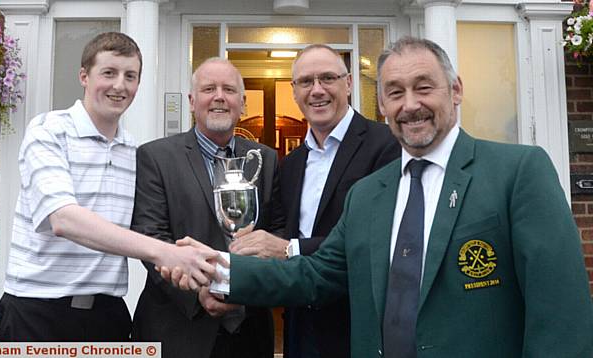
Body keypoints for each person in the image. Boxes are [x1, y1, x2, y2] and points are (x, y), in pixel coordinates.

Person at [173, 37, 593, 357]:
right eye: (395, 92)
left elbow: (561, 312)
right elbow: (314, 275)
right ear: (383, 104)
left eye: (423, 87)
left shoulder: (518, 172)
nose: (410, 105)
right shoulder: (369, 195)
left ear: (456, 90)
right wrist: (218, 270)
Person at [0, 32, 220, 342]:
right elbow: (63, 219)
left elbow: (151, 227)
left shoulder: (134, 151)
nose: (120, 85)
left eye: (130, 76)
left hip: (108, 315)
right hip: (38, 313)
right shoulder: (49, 131)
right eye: (109, 73)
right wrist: (165, 253)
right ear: (84, 76)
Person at [228, 44, 400, 358]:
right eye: (306, 82)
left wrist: (288, 249)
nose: (317, 90)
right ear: (294, 91)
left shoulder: (387, 145)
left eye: (327, 79)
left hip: (358, 326)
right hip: (300, 325)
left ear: (348, 83)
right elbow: (279, 234)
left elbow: (380, 239)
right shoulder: (291, 163)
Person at [130, 57, 284, 358]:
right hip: (178, 328)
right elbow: (150, 237)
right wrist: (198, 292)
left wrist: (250, 286)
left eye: (229, 90)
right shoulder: (156, 157)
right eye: (208, 89)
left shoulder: (264, 159)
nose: (219, 97)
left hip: (250, 328)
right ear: (191, 101)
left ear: (242, 103)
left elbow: (277, 230)